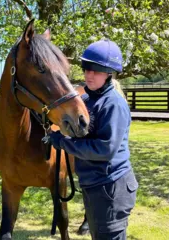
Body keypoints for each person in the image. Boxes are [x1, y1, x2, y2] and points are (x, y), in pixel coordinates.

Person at [49, 39, 138, 240]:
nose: (89, 74)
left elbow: (104, 149)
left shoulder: (112, 104)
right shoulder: (88, 100)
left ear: (108, 73)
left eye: (96, 70)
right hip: (95, 185)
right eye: (87, 68)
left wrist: (63, 143)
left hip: (111, 187)